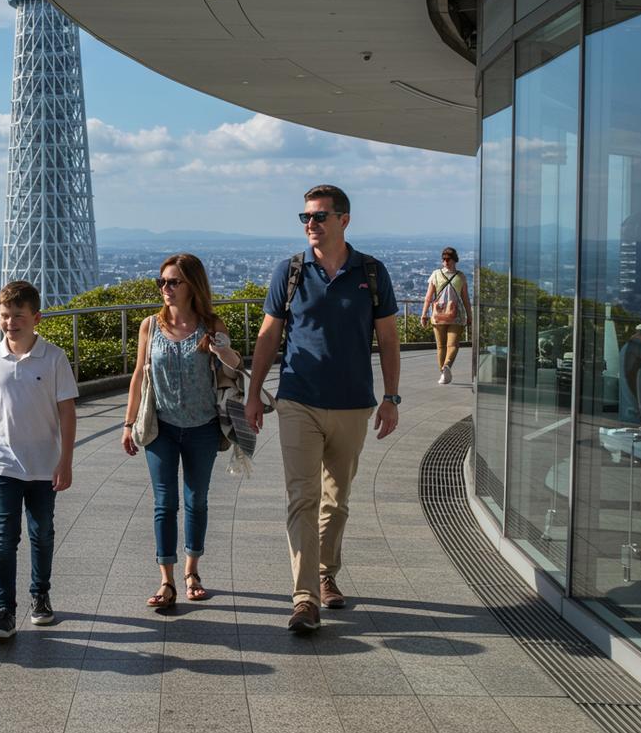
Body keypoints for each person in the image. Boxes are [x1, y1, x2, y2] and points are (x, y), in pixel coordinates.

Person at [244, 185, 401, 634]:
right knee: (302, 497)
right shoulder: (290, 271)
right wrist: (255, 394)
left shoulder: (371, 272)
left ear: (344, 220)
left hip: (353, 403)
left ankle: (326, 572)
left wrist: (391, 398)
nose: (310, 224)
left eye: (319, 217)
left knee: (338, 499)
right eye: (306, 217)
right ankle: (305, 597)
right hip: (298, 399)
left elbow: (388, 339)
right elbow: (268, 337)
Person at [121, 253, 243, 610]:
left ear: (192, 285)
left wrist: (222, 349)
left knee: (196, 500)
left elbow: (235, 366)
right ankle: (166, 580)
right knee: (164, 503)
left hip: (202, 426)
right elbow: (139, 376)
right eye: (162, 282)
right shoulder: (149, 326)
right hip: (160, 426)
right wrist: (128, 424)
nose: (166, 289)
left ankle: (192, 570)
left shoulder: (211, 323)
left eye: (173, 282)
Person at [0, 280, 78, 638]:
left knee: (41, 532)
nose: (10, 323)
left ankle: (40, 594)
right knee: (4, 535)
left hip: (44, 462)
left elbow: (67, 412)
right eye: (4, 316)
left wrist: (65, 461)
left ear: (36, 318)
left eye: (18, 316)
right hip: (2, 460)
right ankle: (3, 609)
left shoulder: (54, 358)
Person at [420, 246, 473, 384]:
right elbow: (465, 299)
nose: (445, 261)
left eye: (447, 259)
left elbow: (428, 297)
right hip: (456, 314)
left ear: (454, 260)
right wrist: (469, 315)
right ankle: (446, 368)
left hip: (439, 314)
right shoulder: (460, 276)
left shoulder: (436, 274)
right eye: (443, 258)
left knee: (445, 346)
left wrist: (425, 314)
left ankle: (445, 369)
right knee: (450, 345)